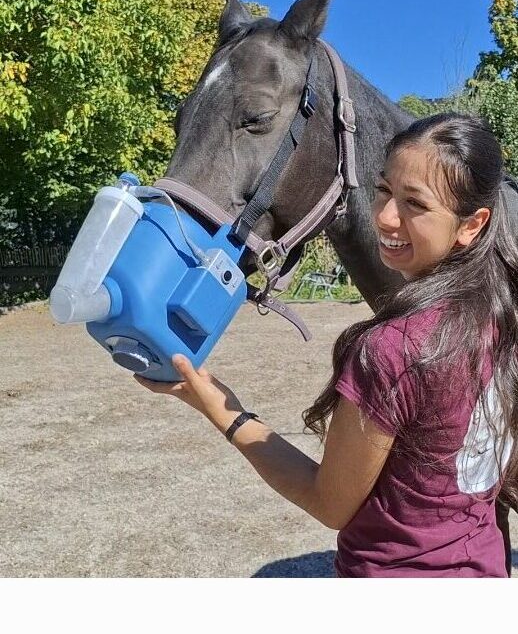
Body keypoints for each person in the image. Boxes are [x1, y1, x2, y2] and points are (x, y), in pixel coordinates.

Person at [136, 113, 518, 578]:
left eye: (414, 204)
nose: (384, 217)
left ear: (472, 224)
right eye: (383, 190)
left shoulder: (393, 350)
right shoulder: (501, 317)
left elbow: (330, 504)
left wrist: (222, 409)